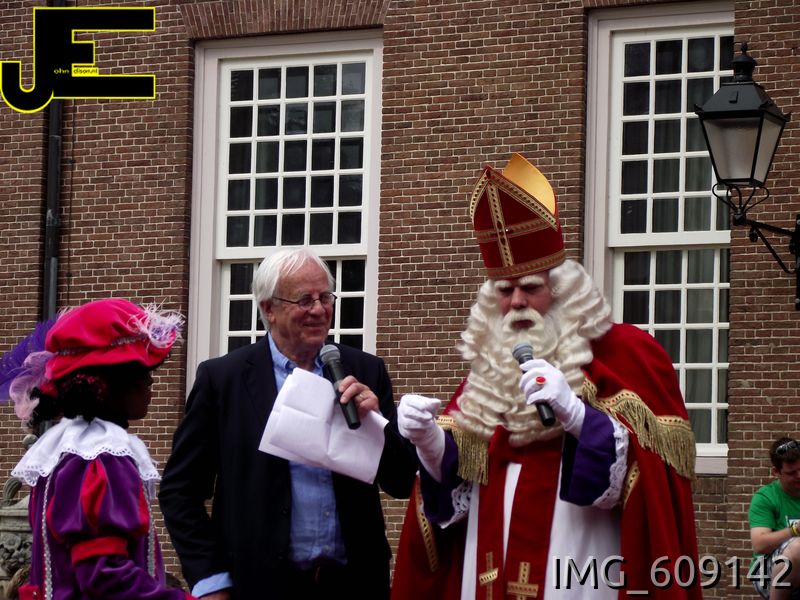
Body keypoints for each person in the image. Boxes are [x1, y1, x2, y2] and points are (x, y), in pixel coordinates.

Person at [391, 154, 701, 599]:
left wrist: (578, 417)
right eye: (505, 290)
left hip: (580, 561)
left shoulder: (628, 351)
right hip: (489, 560)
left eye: (531, 287)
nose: (516, 301)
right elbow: (460, 486)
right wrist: (430, 443)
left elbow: (655, 482)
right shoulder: (487, 369)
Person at [158, 247, 418, 600]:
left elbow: (400, 482)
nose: (319, 310)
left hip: (354, 584)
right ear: (269, 309)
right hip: (258, 587)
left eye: (325, 297)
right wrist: (210, 579)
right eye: (304, 300)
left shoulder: (365, 370)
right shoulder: (223, 380)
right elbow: (180, 491)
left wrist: (376, 426)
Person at [0, 298, 193, 600]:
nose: (150, 382)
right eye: (140, 373)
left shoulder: (65, 453)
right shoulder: (100, 458)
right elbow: (103, 575)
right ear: (107, 384)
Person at [748, 437, 800, 599]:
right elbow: (760, 544)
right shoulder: (765, 497)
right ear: (776, 472)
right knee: (798, 547)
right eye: (791, 473)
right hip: (766, 572)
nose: (799, 476)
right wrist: (795, 530)